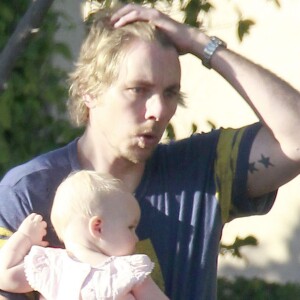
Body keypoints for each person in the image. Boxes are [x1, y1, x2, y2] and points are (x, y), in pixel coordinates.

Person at [0, 3, 300, 300]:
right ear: (88, 90)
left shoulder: (202, 168)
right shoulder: (28, 191)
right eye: (138, 89)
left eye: (170, 93)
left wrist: (201, 44)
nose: (159, 110)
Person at [0, 170, 168, 300]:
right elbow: (3, 276)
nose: (136, 238)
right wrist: (24, 236)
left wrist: (25, 237)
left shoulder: (127, 269)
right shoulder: (48, 265)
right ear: (98, 227)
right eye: (130, 227)